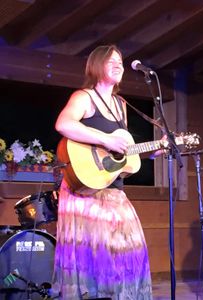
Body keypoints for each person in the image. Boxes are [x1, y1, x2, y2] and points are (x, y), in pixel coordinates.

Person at [52, 45, 152, 299]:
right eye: (112, 61)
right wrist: (105, 140)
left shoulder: (121, 105)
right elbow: (63, 124)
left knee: (131, 249)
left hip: (112, 189)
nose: (119, 65)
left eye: (121, 61)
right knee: (98, 259)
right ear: (97, 66)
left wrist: (153, 150)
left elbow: (121, 154)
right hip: (85, 193)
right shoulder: (83, 97)